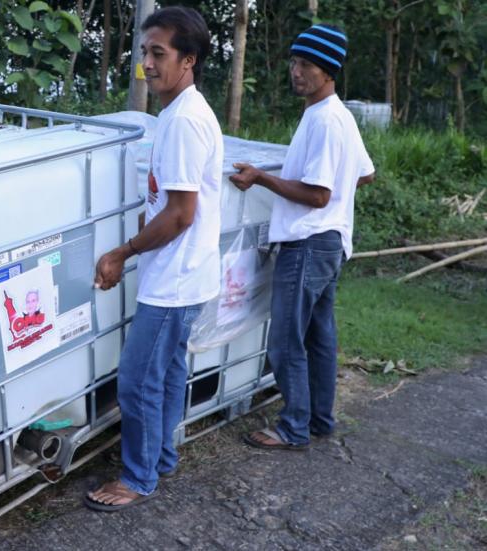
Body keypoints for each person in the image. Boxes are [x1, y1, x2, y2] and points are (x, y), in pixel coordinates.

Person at [84, 6, 223, 511]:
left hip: (177, 279)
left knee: (137, 379)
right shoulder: (176, 114)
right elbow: (169, 204)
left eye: (158, 53)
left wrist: (123, 252)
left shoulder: (185, 121)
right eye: (144, 52)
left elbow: (182, 213)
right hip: (181, 271)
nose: (147, 63)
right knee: (164, 374)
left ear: (188, 60)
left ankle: (138, 476)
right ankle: (160, 456)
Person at [229, 24, 375, 451]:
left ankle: (294, 427)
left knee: (287, 339)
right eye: (294, 62)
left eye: (306, 65)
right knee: (319, 337)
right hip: (328, 242)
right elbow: (365, 173)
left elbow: (317, 194)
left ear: (328, 71)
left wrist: (260, 179)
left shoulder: (327, 121)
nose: (296, 72)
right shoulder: (334, 115)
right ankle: (319, 420)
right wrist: (335, 201)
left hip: (309, 243)